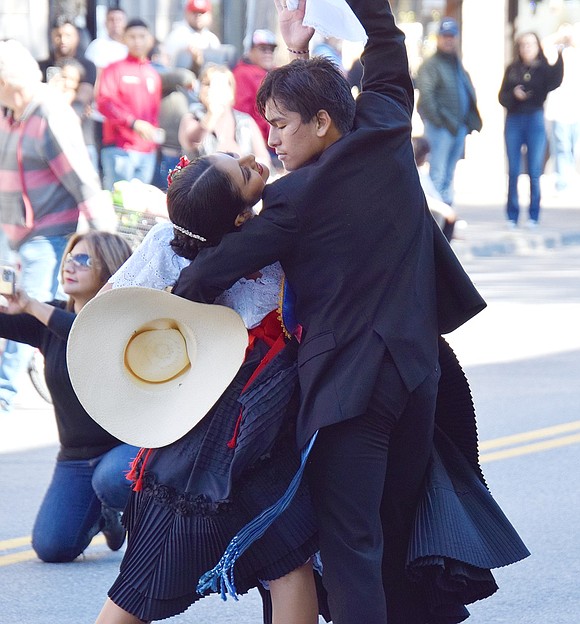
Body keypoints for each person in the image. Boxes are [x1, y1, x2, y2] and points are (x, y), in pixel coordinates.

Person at [171, 1, 489, 622]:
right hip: (416, 379)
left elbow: (206, 276)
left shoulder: (294, 199)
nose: (271, 139)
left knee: (352, 551)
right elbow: (386, 38)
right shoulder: (387, 126)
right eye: (266, 124)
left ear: (321, 122)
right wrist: (300, 53)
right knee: (394, 539)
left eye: (281, 126)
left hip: (350, 394)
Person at [93, 153, 322, 624]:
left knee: (286, 563)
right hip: (223, 434)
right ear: (240, 216)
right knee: (282, 564)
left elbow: (106, 315)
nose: (251, 158)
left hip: (234, 426)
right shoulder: (269, 243)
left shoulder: (166, 239)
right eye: (242, 170)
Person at [0, 231, 135, 562]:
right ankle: (104, 517)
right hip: (75, 457)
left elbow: (83, 333)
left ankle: (121, 509)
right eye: (70, 258)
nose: (70, 266)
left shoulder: (122, 322)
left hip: (123, 449)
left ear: (110, 269)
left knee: (112, 479)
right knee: (52, 547)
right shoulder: (49, 317)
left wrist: (32, 305)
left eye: (84, 259)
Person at [0, 40, 113, 413]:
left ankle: (5, 396)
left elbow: (82, 180)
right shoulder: (9, 112)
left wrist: (104, 240)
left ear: (8, 82)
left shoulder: (50, 114)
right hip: (10, 232)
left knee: (25, 309)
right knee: (9, 306)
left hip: (46, 235)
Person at [499, 31, 563, 228]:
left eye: (531, 44)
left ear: (537, 47)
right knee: (514, 169)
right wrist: (514, 94)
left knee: (535, 169)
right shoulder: (512, 68)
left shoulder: (543, 69)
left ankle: (534, 214)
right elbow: (502, 96)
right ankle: (512, 214)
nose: (527, 48)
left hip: (535, 118)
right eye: (524, 44)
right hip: (514, 119)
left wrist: (559, 55)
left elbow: (555, 79)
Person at [415, 17, 482, 206]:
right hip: (440, 129)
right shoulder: (431, 65)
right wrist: (439, 121)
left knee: (449, 176)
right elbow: (427, 97)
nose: (448, 39)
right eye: (445, 36)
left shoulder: (456, 64)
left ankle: (446, 222)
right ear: (438, 38)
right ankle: (436, 224)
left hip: (458, 128)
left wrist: (468, 122)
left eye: (451, 35)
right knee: (437, 174)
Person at [96, 18, 163, 190]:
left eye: (142, 36)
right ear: (124, 39)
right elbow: (104, 102)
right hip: (119, 148)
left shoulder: (153, 73)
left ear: (150, 39)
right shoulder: (114, 69)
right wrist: (133, 123)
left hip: (147, 150)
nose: (137, 41)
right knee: (119, 207)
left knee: (140, 208)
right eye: (132, 36)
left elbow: (154, 112)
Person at [178, 64, 272, 166]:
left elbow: (264, 159)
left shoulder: (245, 122)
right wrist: (212, 114)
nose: (212, 90)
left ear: (231, 92)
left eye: (219, 85)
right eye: (207, 84)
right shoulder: (193, 118)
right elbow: (192, 141)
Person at [544, 23, 580, 194]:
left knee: (573, 147)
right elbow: (543, 45)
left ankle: (569, 179)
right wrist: (559, 36)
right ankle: (562, 183)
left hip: (575, 109)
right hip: (559, 109)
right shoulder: (556, 52)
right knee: (562, 146)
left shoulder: (575, 52)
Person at [39, 15, 97, 112]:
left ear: (77, 37)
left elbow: (85, 94)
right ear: (52, 37)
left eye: (68, 35)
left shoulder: (87, 66)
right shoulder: (41, 66)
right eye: (58, 35)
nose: (63, 40)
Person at [233, 29, 278, 146]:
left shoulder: (276, 72)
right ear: (250, 51)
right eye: (263, 49)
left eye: (271, 49)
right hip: (259, 144)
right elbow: (243, 114)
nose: (268, 53)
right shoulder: (242, 74)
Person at [163, 0, 221, 73]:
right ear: (186, 13)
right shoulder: (177, 35)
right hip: (182, 81)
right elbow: (168, 66)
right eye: (194, 12)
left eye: (202, 12)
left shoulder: (212, 39)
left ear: (209, 15)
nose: (198, 16)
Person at [84, 7, 129, 75]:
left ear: (126, 23)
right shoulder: (97, 45)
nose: (115, 23)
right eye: (111, 20)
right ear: (105, 23)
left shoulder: (133, 47)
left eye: (119, 20)